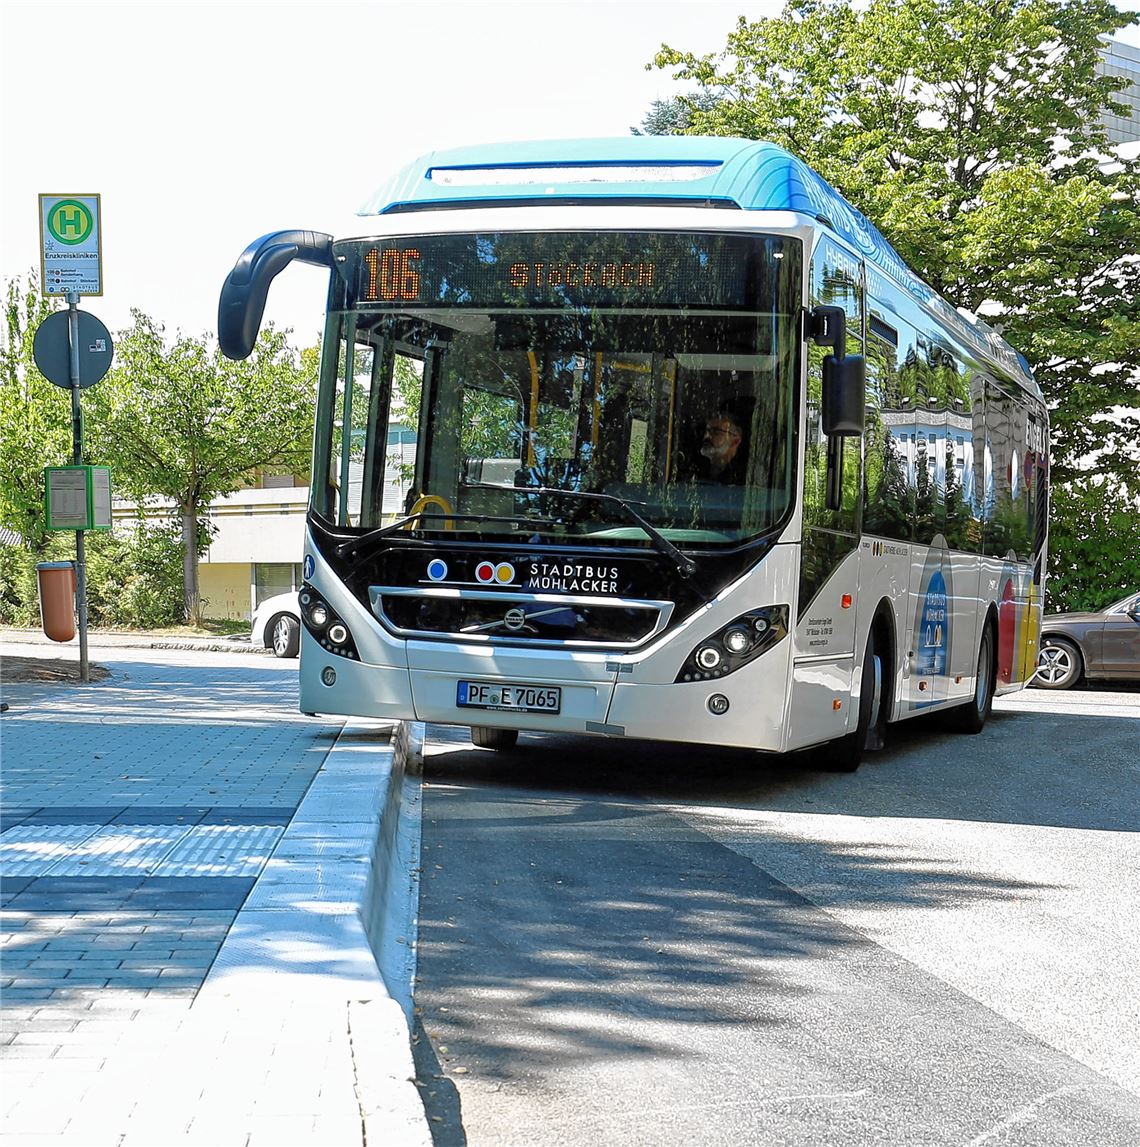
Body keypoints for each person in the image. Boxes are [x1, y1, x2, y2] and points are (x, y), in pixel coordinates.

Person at [693, 411, 747, 484]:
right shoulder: (696, 468)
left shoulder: (742, 476)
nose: (706, 436)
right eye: (707, 430)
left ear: (735, 441)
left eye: (715, 431)